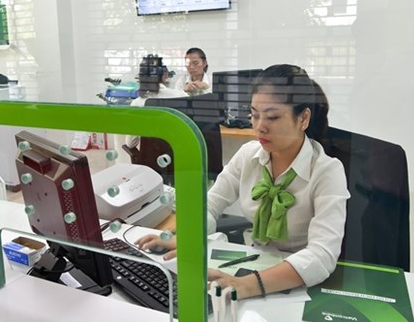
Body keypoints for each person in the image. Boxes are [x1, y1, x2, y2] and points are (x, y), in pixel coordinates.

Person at [136, 64, 349, 300]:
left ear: (303, 118)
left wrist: (247, 285)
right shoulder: (249, 155)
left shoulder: (327, 171)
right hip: (251, 263)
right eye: (254, 114)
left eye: (272, 116)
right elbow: (211, 203)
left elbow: (322, 254)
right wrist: (188, 237)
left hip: (297, 281)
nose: (259, 126)